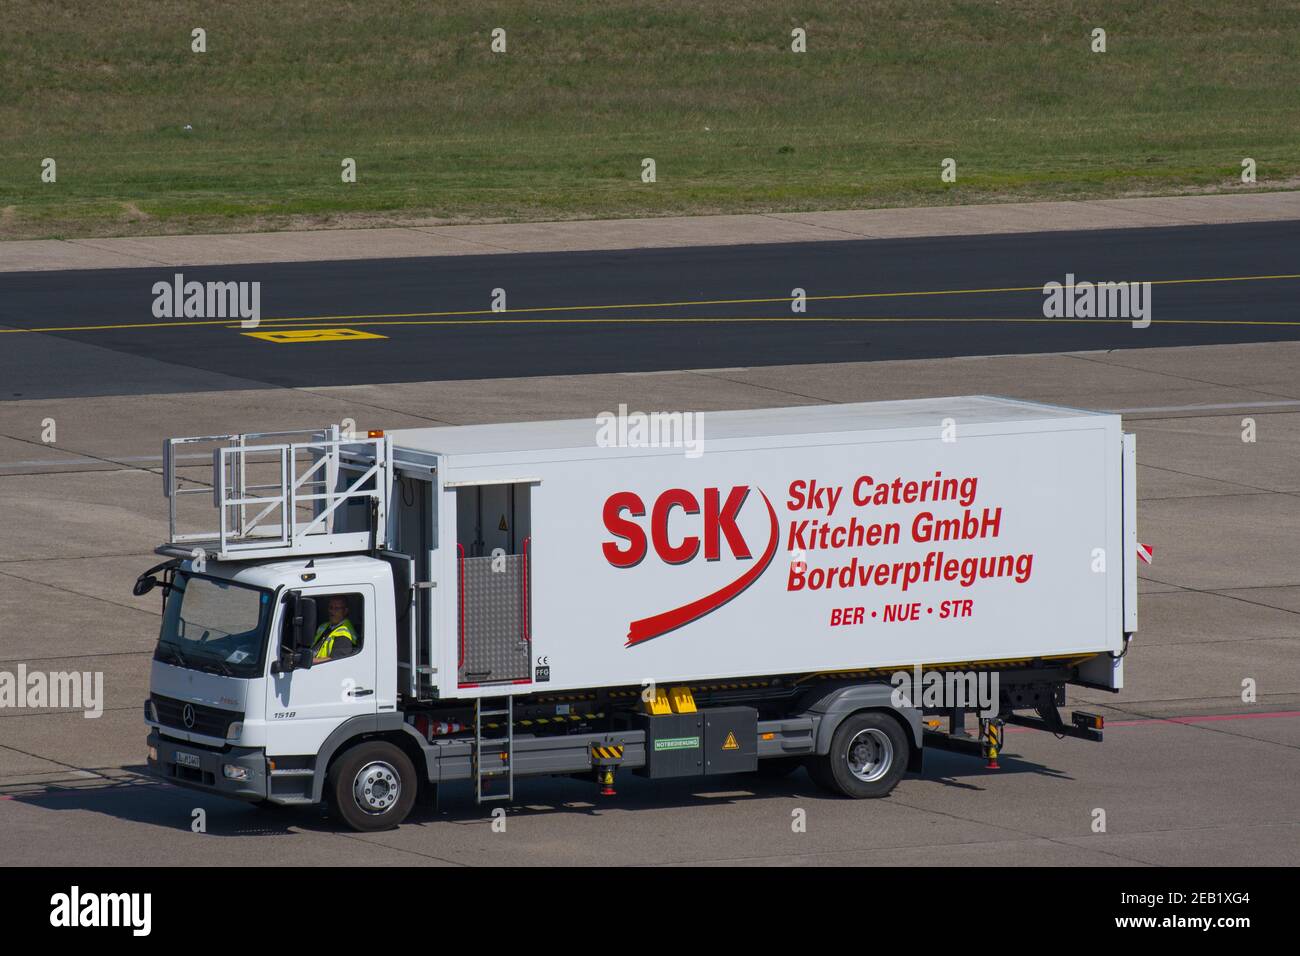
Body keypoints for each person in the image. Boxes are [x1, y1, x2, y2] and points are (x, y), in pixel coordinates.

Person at [313, 596, 357, 663]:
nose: (332, 611)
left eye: (337, 608)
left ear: (345, 611)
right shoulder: (324, 626)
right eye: (330, 607)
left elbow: (337, 660)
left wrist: (312, 661)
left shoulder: (344, 633)